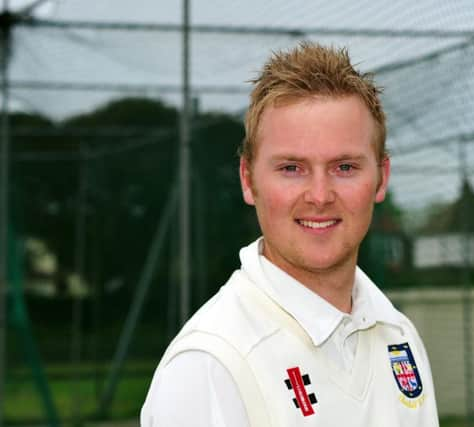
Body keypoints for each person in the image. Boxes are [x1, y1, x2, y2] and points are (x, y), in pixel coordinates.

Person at [141, 42, 439, 427]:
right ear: (248, 181)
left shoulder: (399, 336)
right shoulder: (210, 364)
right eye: (292, 168)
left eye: (345, 167)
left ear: (381, 178)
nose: (319, 196)